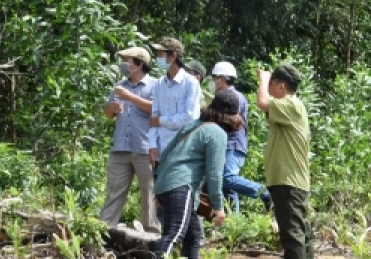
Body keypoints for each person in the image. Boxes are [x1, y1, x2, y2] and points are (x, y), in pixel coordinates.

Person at [150, 89, 242, 259]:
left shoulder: (193, 125)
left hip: (168, 182)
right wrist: (218, 206)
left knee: (193, 236)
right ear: (232, 117)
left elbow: (166, 154)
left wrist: (159, 187)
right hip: (181, 185)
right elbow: (214, 174)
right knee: (175, 234)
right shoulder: (217, 133)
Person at [257, 63, 316, 259]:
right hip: (291, 180)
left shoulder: (290, 104)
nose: (268, 88)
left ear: (281, 86)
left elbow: (262, 102)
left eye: (272, 84)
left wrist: (263, 79)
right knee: (301, 232)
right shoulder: (289, 108)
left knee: (291, 233)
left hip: (288, 181)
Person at [98, 46, 159, 233]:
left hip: (145, 148)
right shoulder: (120, 85)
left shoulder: (155, 85)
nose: (124, 65)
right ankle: (103, 230)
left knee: (149, 193)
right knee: (113, 191)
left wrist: (130, 98)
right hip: (121, 148)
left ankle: (152, 235)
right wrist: (112, 108)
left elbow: (157, 110)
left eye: (128, 61)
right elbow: (108, 113)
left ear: (140, 64)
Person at [211, 61, 271, 213]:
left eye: (214, 77)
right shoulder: (225, 96)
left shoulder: (233, 97)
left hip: (232, 145)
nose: (212, 81)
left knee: (226, 178)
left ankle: (263, 192)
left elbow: (228, 123)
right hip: (228, 144)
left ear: (222, 79)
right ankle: (233, 222)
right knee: (227, 186)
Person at [148, 37, 201, 167]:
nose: (158, 58)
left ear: (173, 56)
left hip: (181, 150)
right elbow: (153, 117)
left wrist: (161, 120)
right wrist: (152, 145)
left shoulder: (190, 83)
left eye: (161, 54)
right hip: (160, 151)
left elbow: (190, 119)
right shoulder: (159, 83)